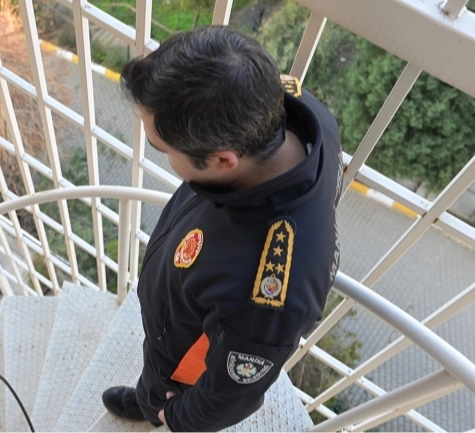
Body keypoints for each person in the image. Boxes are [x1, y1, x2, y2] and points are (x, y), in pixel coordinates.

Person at [101, 26, 342, 432]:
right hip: (177, 312)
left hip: (180, 357)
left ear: (223, 161)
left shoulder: (267, 294)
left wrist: (177, 416)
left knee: (161, 390)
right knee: (153, 374)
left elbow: (231, 393)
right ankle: (147, 395)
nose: (162, 156)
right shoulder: (297, 111)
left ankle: (151, 404)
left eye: (164, 149)